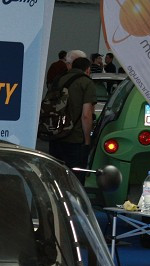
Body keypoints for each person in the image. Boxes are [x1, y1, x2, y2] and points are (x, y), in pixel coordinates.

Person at [48, 56, 96, 184]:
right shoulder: (86, 83)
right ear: (87, 70)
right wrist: (87, 140)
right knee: (74, 179)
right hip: (74, 138)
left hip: (55, 134)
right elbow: (86, 115)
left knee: (56, 175)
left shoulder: (58, 79)